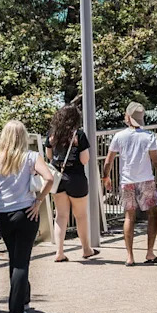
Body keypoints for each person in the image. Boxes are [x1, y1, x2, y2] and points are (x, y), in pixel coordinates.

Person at [0, 121, 54, 313]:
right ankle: (16, 310)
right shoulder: (31, 157)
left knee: (14, 257)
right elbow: (49, 178)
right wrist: (39, 201)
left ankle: (23, 298)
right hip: (27, 212)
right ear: (23, 137)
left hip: (4, 214)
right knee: (22, 261)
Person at [103, 102, 157, 266]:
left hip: (127, 182)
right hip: (146, 180)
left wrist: (105, 178)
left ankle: (130, 256)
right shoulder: (149, 136)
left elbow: (108, 161)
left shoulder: (119, 136)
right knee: (152, 215)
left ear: (127, 117)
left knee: (129, 217)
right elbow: (156, 161)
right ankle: (149, 253)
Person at [44, 105, 98, 262]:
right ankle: (86, 249)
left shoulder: (52, 135)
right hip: (76, 178)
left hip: (58, 179)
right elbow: (84, 159)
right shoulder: (79, 135)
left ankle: (59, 252)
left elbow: (49, 156)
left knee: (60, 216)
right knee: (80, 215)